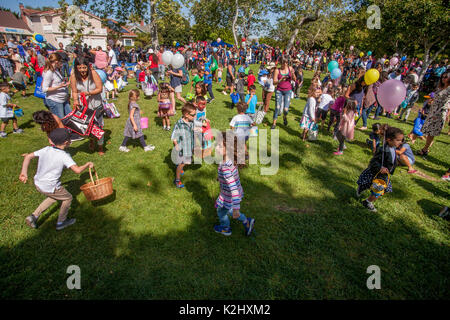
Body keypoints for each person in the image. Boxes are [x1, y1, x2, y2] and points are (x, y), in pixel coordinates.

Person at [19, 128, 94, 230]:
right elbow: (77, 170)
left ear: (51, 141)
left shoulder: (46, 149)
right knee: (68, 198)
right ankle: (61, 222)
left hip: (38, 183)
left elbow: (27, 157)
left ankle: (33, 216)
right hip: (51, 186)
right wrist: (87, 164)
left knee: (54, 197)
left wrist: (24, 173)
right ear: (67, 142)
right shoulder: (64, 156)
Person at [213, 131, 255, 236]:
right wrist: (220, 178)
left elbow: (234, 190)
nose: (216, 148)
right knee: (229, 210)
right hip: (228, 194)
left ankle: (225, 228)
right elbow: (231, 176)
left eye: (219, 146)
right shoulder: (230, 160)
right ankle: (247, 221)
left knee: (221, 212)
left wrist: (237, 208)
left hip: (230, 196)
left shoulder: (225, 168)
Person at [356, 127, 404, 212]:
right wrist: (380, 167)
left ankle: (363, 189)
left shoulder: (393, 148)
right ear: (389, 140)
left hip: (385, 175)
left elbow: (392, 160)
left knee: (380, 189)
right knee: (378, 190)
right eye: (398, 140)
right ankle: (367, 202)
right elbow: (373, 161)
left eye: (401, 140)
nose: (401, 142)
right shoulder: (383, 150)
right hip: (377, 173)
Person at [69, 57, 105, 155]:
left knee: (98, 128)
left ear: (88, 67)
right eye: (80, 68)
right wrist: (75, 101)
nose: (82, 70)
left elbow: (100, 88)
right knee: (86, 127)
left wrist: (88, 93)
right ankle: (91, 140)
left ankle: (101, 146)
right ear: (76, 68)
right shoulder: (73, 76)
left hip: (96, 105)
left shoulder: (93, 73)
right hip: (83, 107)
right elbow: (74, 91)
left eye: (84, 68)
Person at [418, 71, 450, 156]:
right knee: (429, 131)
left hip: (439, 112)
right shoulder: (440, 88)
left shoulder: (449, 89)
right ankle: (426, 148)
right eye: (442, 77)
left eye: (446, 77)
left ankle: (425, 149)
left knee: (432, 132)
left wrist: (447, 112)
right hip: (433, 111)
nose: (443, 79)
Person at [171, 102, 196, 188]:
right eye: (193, 115)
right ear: (186, 114)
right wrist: (176, 145)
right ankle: (177, 180)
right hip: (182, 148)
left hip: (189, 147)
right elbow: (174, 136)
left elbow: (195, 127)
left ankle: (179, 166)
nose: (195, 116)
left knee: (188, 161)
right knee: (183, 163)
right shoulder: (179, 124)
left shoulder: (191, 121)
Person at [42, 53, 71, 119]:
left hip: (63, 99)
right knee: (60, 121)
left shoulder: (56, 70)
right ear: (56, 62)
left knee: (70, 118)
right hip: (55, 100)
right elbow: (44, 89)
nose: (62, 64)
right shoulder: (49, 73)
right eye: (61, 62)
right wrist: (59, 86)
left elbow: (56, 82)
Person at [272, 56, 296, 129]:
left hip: (288, 90)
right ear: (281, 63)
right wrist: (280, 80)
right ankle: (274, 123)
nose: (285, 64)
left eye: (286, 62)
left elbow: (295, 79)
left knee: (286, 109)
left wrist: (292, 74)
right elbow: (274, 82)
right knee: (277, 107)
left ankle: (284, 117)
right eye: (284, 63)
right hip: (279, 90)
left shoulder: (290, 68)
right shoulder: (277, 70)